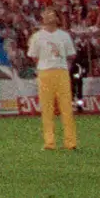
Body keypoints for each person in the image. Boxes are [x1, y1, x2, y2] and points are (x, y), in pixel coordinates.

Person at [27, 16, 80, 151]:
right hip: (45, 72)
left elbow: (71, 54)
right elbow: (33, 56)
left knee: (66, 107)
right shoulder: (37, 36)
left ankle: (70, 142)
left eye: (52, 14)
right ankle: (49, 142)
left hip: (61, 72)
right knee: (47, 108)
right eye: (46, 14)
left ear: (57, 18)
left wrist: (62, 64)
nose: (49, 17)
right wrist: (45, 64)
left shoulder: (64, 35)